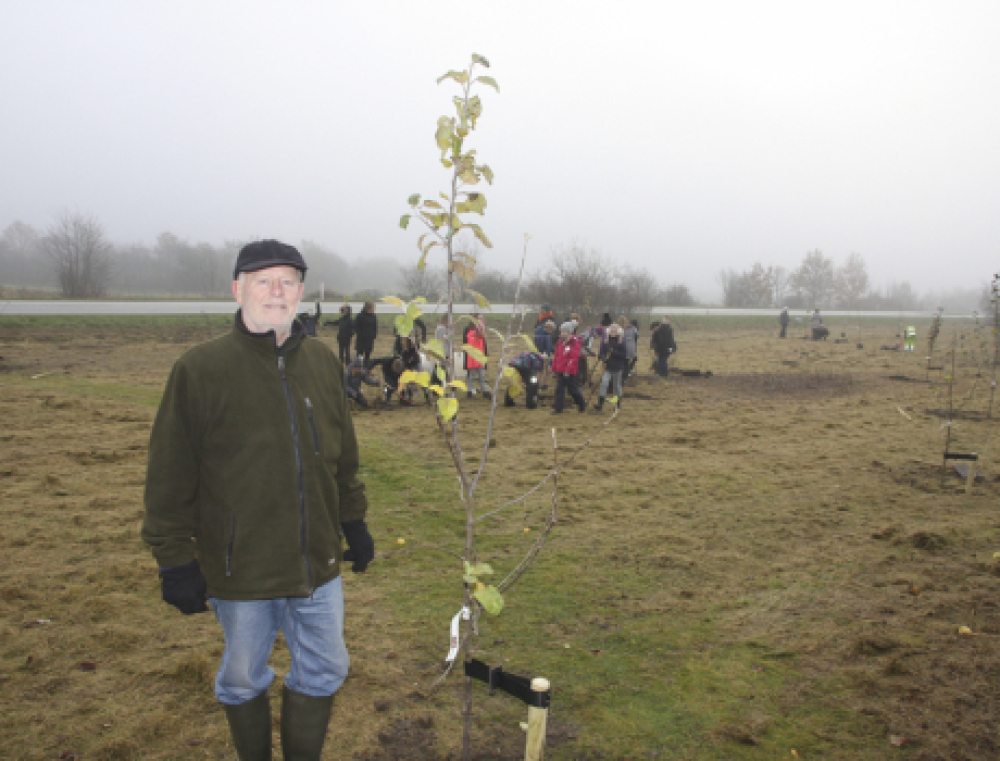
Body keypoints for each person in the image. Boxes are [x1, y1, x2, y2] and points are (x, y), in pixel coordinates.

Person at [141, 240, 374, 760]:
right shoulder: (200, 369)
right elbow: (168, 475)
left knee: (326, 668)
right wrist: (175, 560)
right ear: (237, 288)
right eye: (263, 280)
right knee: (243, 676)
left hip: (316, 562)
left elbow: (344, 456)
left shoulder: (319, 361)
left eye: (287, 281)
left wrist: (353, 521)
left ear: (300, 292)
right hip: (239, 566)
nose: (276, 291)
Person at [551, 322, 587, 413]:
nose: (562, 333)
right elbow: (557, 356)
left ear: (569, 332)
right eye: (561, 331)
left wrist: (568, 370)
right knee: (559, 389)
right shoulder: (559, 342)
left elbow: (574, 358)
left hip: (570, 372)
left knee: (572, 390)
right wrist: (554, 369)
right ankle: (558, 408)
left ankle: (581, 403)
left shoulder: (575, 343)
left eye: (564, 332)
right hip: (560, 370)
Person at [596, 324, 627, 411]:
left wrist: (614, 352)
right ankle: (600, 404)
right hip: (607, 367)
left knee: (616, 386)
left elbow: (623, 355)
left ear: (618, 332)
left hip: (617, 368)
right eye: (611, 331)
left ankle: (618, 403)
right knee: (604, 383)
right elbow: (601, 353)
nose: (613, 333)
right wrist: (603, 358)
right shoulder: (606, 342)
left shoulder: (621, 342)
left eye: (615, 331)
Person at [462, 316, 490, 399]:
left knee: (482, 375)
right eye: (479, 318)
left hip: (480, 357)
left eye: (481, 318)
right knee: (471, 375)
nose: (480, 320)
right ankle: (469, 391)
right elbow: (465, 342)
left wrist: (485, 354)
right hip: (472, 357)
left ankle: (484, 390)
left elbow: (484, 344)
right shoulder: (468, 330)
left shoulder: (481, 332)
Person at [622, 317, 639, 384]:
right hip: (630, 348)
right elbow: (636, 337)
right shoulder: (634, 329)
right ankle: (625, 376)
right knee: (627, 362)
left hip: (624, 348)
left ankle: (624, 377)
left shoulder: (622, 329)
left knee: (625, 363)